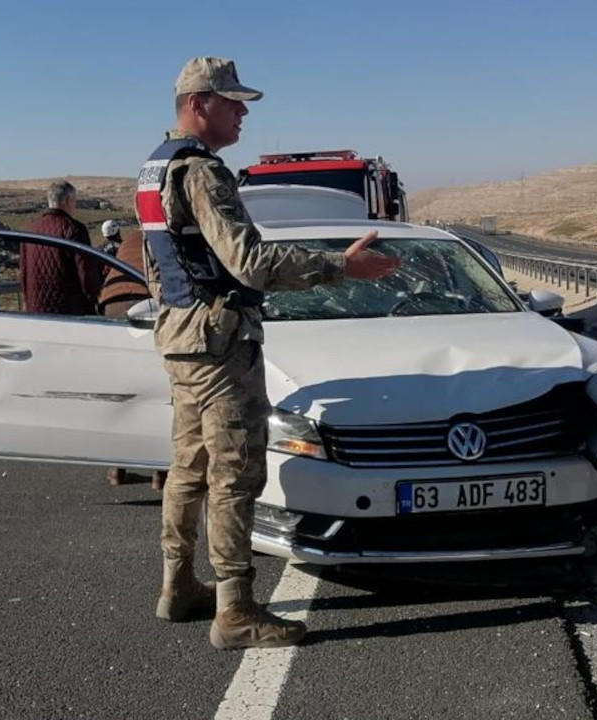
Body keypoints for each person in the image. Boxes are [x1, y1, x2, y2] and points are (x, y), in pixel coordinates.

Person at [139, 56, 399, 649]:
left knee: (189, 468)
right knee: (234, 472)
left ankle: (177, 585)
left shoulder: (153, 168)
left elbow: (160, 265)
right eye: (233, 102)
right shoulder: (202, 172)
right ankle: (235, 611)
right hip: (219, 342)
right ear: (198, 102)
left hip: (182, 336)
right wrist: (342, 266)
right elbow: (250, 262)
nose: (243, 113)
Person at [98, 220, 168, 491]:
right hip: (147, 311)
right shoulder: (161, 240)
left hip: (113, 308)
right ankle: (159, 472)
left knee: (123, 394)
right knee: (157, 396)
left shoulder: (128, 243)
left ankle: (117, 467)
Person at [20, 181, 102, 315]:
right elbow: (85, 272)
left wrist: (28, 302)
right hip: (69, 311)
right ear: (67, 200)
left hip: (36, 310)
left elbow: (23, 271)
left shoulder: (30, 230)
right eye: (75, 200)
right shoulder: (74, 229)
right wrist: (95, 300)